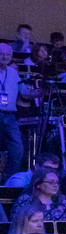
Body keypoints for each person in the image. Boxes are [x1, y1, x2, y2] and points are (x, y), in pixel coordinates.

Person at [0, 43, 29, 176]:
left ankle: (8, 181)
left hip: (10, 116)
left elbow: (23, 92)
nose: (4, 57)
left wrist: (37, 92)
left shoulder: (12, 72)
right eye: (1, 54)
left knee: (17, 150)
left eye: (7, 54)